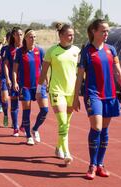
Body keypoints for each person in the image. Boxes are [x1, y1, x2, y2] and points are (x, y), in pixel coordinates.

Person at [73, 19, 121, 179]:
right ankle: (92, 164)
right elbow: (79, 77)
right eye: (103, 31)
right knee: (96, 127)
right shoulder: (86, 52)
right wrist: (75, 96)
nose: (106, 33)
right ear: (94, 31)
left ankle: (100, 164)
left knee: (104, 130)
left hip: (110, 95)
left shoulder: (111, 50)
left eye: (107, 31)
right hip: (93, 95)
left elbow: (118, 72)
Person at [37, 23, 80, 165]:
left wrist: (79, 94)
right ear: (61, 35)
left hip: (71, 91)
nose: (72, 36)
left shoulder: (77, 51)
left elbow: (80, 73)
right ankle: (67, 151)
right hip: (56, 90)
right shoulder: (52, 51)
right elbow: (43, 72)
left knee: (66, 123)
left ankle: (58, 146)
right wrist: (39, 89)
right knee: (62, 121)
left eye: (73, 34)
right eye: (69, 34)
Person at [12, 29, 48, 145]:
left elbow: (44, 68)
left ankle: (35, 128)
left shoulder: (40, 51)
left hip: (39, 85)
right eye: (31, 37)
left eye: (34, 37)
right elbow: (14, 70)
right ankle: (28, 135)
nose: (33, 39)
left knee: (45, 110)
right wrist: (15, 82)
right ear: (26, 39)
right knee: (27, 111)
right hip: (25, 86)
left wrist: (47, 82)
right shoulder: (20, 52)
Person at [4, 27, 23, 136]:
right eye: (17, 34)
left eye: (21, 34)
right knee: (14, 103)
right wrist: (8, 78)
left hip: (25, 81)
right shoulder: (9, 49)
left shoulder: (26, 48)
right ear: (13, 36)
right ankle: (15, 127)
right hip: (14, 80)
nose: (19, 36)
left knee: (26, 103)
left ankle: (24, 125)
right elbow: (6, 64)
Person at [0, 32, 11, 126]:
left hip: (15, 77)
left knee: (15, 99)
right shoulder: (4, 49)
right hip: (4, 76)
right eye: (9, 38)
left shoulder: (18, 49)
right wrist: (1, 43)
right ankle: (6, 115)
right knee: (5, 98)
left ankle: (14, 120)